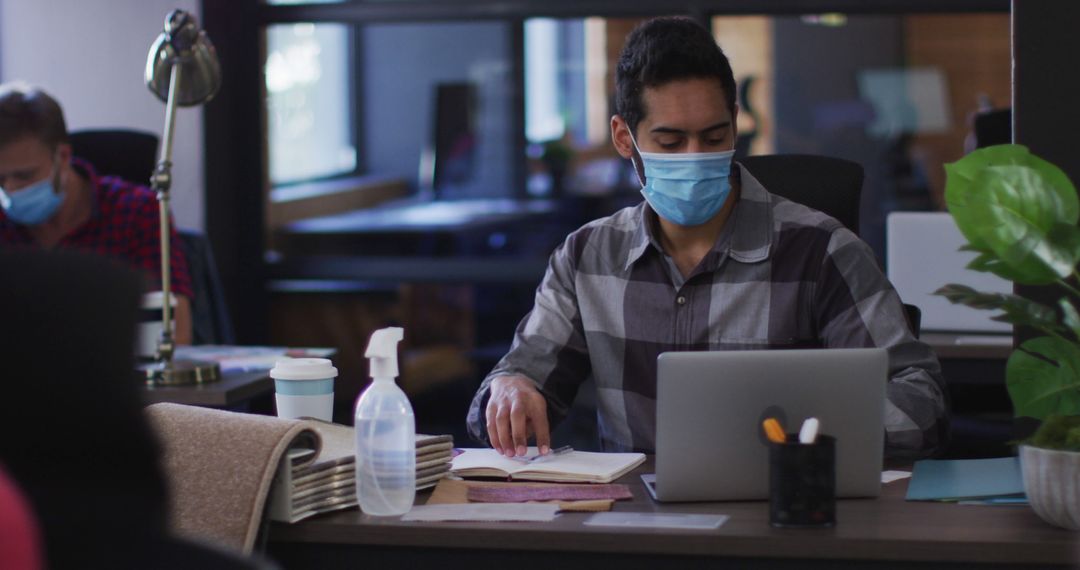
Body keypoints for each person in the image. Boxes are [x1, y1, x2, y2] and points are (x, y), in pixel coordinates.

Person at [467, 17, 948, 460]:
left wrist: (806, 437)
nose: (696, 157)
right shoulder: (587, 257)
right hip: (633, 530)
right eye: (671, 143)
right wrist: (512, 389)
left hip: (784, 515)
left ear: (736, 122)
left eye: (715, 138)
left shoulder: (822, 251)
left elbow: (918, 396)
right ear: (623, 137)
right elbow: (516, 380)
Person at [0, 83, 192, 344]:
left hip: (119, 378)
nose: (10, 190)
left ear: (63, 157)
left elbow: (175, 333)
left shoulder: (137, 212)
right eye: (1, 180)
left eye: (24, 176)